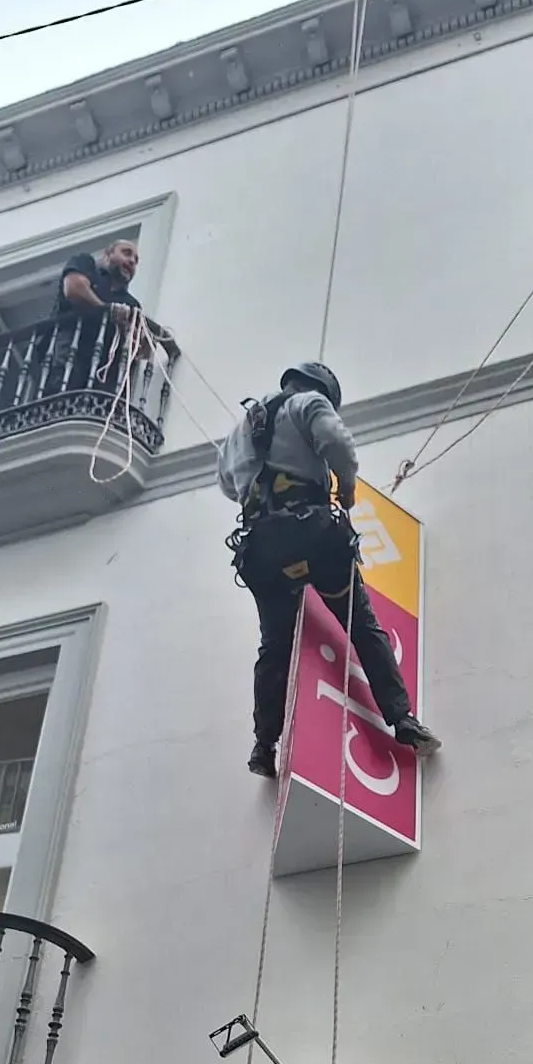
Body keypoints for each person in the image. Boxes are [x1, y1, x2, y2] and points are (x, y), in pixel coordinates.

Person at [219, 362, 441, 779]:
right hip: (313, 538)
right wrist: (347, 488)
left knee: (274, 647)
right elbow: (337, 442)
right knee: (362, 626)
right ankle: (403, 720)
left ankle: (264, 745)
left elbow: (229, 486)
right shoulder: (308, 403)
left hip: (262, 552)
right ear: (323, 390)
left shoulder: (241, 428)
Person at [45, 237, 175, 392]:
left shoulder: (131, 303)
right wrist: (108, 311)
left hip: (101, 375)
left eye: (136, 260)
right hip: (68, 357)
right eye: (126, 253)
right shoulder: (86, 265)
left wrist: (140, 340)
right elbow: (74, 288)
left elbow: (140, 351)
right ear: (107, 256)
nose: (132, 261)